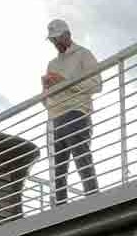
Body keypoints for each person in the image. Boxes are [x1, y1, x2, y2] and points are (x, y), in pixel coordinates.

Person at [41, 19, 102, 203]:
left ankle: (93, 198)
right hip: (54, 117)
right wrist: (45, 91)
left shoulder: (84, 54)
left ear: (67, 35)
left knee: (81, 156)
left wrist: (64, 82)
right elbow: (47, 101)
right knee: (57, 167)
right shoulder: (51, 64)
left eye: (57, 39)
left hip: (76, 112)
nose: (55, 43)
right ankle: (59, 206)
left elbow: (97, 84)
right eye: (52, 40)